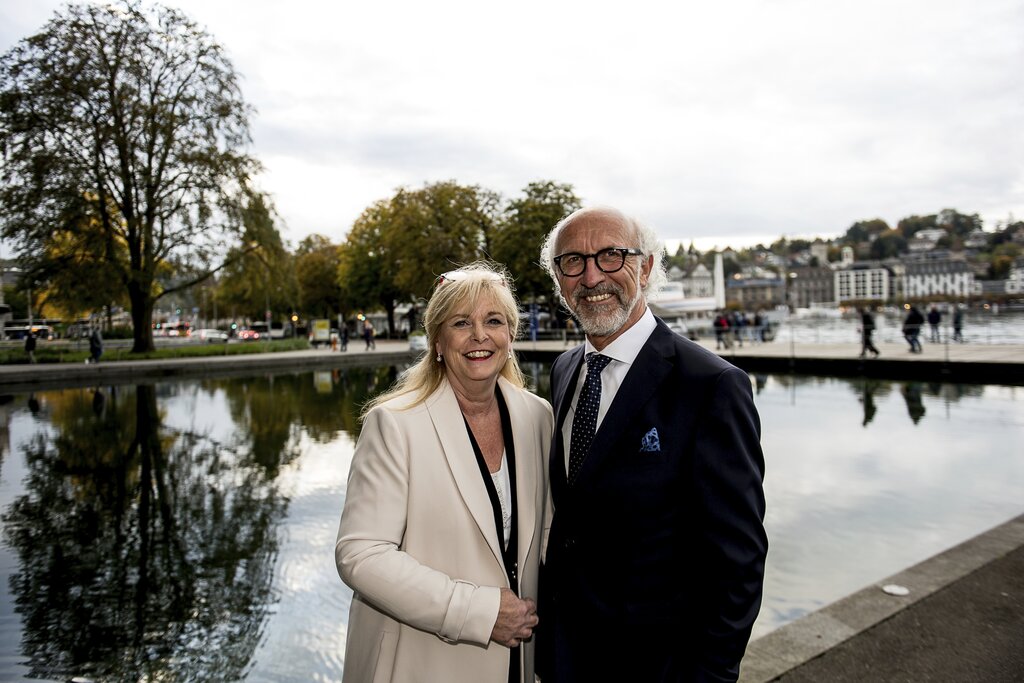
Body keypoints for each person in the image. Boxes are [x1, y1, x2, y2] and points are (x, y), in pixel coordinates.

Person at [537, 207, 768, 682]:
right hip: (566, 658)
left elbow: (737, 565)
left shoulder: (711, 386)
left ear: (645, 267)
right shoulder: (565, 371)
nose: (592, 275)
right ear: (559, 279)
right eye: (573, 261)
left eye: (611, 255)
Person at [336, 263, 554, 683]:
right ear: (437, 340)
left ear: (510, 336)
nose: (479, 336)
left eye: (493, 321)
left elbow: (544, 537)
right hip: (420, 661)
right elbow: (361, 555)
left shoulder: (537, 417)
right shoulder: (395, 425)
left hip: (515, 662)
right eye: (461, 323)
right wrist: (480, 613)